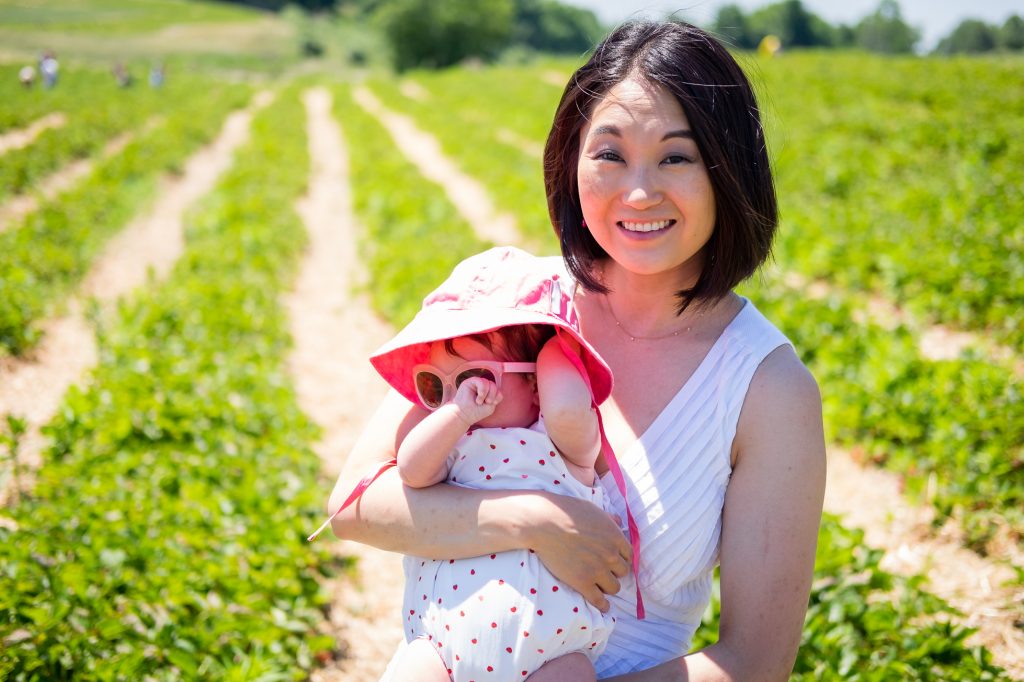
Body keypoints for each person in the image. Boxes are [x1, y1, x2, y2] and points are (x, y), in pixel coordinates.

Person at [326, 20, 825, 681]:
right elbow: (358, 502)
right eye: (610, 154)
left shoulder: (767, 388)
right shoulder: (507, 301)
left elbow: (753, 663)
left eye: (676, 157)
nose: (639, 192)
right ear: (571, 161)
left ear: (728, 168)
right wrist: (532, 519)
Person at [311, 248, 642, 681]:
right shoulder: (455, 440)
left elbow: (564, 407)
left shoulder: (563, 446)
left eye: (476, 379)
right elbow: (411, 470)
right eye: (434, 383)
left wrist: (555, 342)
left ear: (537, 381)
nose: (455, 396)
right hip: (443, 648)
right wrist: (456, 415)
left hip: (551, 656)